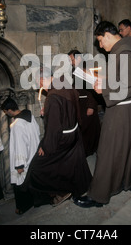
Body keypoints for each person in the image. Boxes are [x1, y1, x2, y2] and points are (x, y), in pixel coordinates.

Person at [73, 21, 131, 208]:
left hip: (121, 110)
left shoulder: (123, 52)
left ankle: (98, 196)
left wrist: (104, 90)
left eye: (101, 41)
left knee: (107, 151)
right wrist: (100, 80)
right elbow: (121, 79)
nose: (100, 46)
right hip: (126, 108)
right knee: (130, 146)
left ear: (108, 35)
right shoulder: (121, 50)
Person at [23, 67, 92, 207]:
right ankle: (73, 188)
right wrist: (50, 111)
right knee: (67, 164)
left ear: (42, 79)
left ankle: (59, 192)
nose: (39, 86)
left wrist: (46, 147)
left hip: (62, 139)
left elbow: (54, 129)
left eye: (38, 83)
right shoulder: (64, 83)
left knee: (38, 167)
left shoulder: (53, 98)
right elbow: (70, 105)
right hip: (74, 133)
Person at [1, 97, 40, 215]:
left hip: (24, 159)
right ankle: (33, 202)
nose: (5, 113)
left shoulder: (17, 125)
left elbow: (19, 145)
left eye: (5, 111)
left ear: (8, 110)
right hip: (34, 154)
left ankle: (23, 207)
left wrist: (19, 165)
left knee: (20, 184)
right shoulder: (30, 116)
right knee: (32, 181)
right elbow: (38, 132)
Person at [68, 49, 101, 156]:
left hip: (87, 104)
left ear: (78, 58)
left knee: (90, 129)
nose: (71, 62)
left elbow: (92, 88)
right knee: (84, 128)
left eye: (72, 59)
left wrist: (91, 106)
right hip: (80, 103)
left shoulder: (86, 69)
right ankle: (85, 150)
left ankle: (91, 149)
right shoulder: (76, 69)